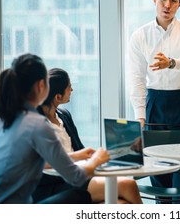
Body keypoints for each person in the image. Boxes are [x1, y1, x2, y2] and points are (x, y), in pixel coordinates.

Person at [0, 53, 109, 204]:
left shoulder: (0, 119)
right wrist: (96, 160)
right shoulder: (37, 124)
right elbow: (76, 177)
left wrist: (77, 156)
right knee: (82, 195)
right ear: (41, 86)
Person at [128, 0, 180, 203]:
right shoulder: (139, 36)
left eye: (173, 0)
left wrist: (171, 63)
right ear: (154, 0)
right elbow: (136, 78)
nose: (167, 5)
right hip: (154, 105)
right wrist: (140, 116)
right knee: (157, 172)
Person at [33, 68, 142, 204]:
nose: (72, 90)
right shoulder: (36, 124)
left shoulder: (64, 115)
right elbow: (42, 162)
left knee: (122, 204)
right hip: (53, 184)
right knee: (128, 185)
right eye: (69, 87)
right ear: (58, 97)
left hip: (77, 175)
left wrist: (109, 154)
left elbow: (79, 148)